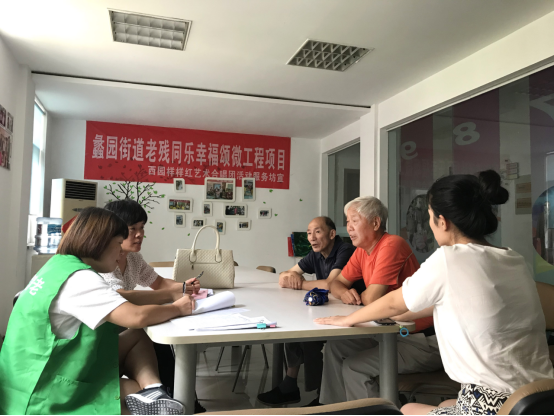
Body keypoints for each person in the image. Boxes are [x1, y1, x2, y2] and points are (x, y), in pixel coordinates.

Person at [315, 171, 554, 416]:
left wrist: (348, 319)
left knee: (407, 409)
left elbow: (395, 302)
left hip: (490, 405)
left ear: (442, 221)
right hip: (540, 399)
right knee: (439, 405)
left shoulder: (450, 259)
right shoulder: (513, 258)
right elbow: (455, 303)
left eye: (429, 217)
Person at [0, 207, 195, 415]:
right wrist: (177, 308)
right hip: (41, 391)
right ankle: (151, 396)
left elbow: (130, 307)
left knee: (137, 338)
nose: (121, 252)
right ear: (98, 242)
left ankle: (154, 391)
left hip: (33, 372)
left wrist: (172, 296)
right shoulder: (80, 278)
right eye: (118, 244)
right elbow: (136, 316)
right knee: (132, 391)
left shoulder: (59, 265)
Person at [319, 196, 442, 405]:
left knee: (354, 367)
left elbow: (372, 298)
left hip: (420, 340)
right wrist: (345, 292)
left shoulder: (392, 244)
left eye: (354, 221)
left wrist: (359, 294)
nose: (349, 227)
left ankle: (376, 410)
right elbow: (336, 283)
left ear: (375, 223)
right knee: (335, 348)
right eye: (347, 222)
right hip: (390, 332)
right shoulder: (362, 251)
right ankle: (335, 408)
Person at [102, 199, 205, 413]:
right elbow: (119, 297)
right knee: (155, 338)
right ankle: (174, 397)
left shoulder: (133, 258)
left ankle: (162, 394)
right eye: (132, 229)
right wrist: (173, 296)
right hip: (107, 333)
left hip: (121, 330)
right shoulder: (103, 260)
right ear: (113, 230)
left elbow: (158, 283)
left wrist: (183, 287)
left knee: (156, 337)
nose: (139, 234)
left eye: (142, 228)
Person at [258, 217, 358, 407]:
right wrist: (291, 277)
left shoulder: (344, 250)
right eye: (309, 233)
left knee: (310, 338)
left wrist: (300, 283)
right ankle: (290, 384)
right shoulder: (315, 254)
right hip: (330, 306)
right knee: (293, 326)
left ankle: (322, 396)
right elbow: (284, 276)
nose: (312, 238)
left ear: (332, 234)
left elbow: (331, 284)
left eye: (317, 232)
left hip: (350, 310)